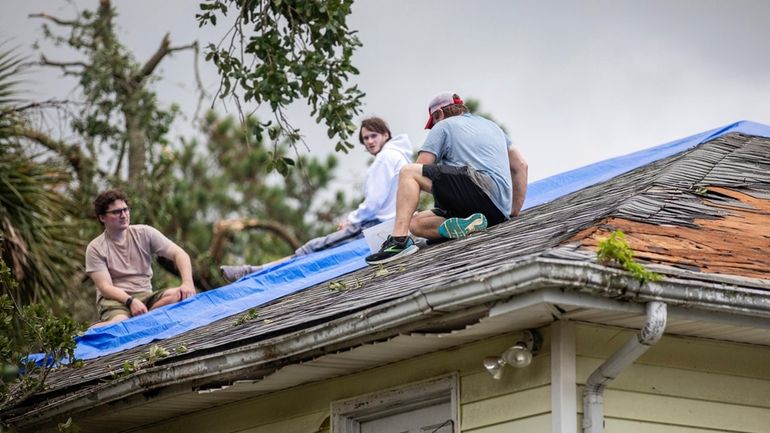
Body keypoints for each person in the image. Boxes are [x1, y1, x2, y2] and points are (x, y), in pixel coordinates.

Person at [220, 117, 413, 281]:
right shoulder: (400, 157)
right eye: (366, 138)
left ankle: (254, 272)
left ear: (386, 135)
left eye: (373, 136)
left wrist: (351, 220)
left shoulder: (385, 158)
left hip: (374, 224)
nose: (370, 141)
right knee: (315, 251)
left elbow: (374, 202)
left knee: (313, 250)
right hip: (393, 222)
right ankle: (256, 269)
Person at [365, 91, 528, 265]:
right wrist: (512, 211)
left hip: (476, 189)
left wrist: (406, 208)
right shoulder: (492, 126)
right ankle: (464, 226)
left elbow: (420, 168)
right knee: (415, 224)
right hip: (495, 212)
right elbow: (521, 165)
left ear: (439, 114)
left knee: (408, 172)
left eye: (433, 121)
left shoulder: (443, 125)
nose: (434, 125)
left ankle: (398, 242)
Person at [85, 189, 197, 327]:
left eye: (126, 210)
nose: (123, 215)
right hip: (115, 301)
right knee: (120, 325)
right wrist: (130, 301)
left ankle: (143, 319)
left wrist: (187, 283)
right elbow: (105, 287)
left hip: (145, 296)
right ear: (102, 217)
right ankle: (85, 335)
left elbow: (180, 254)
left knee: (181, 296)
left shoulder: (145, 233)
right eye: (116, 212)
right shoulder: (95, 248)